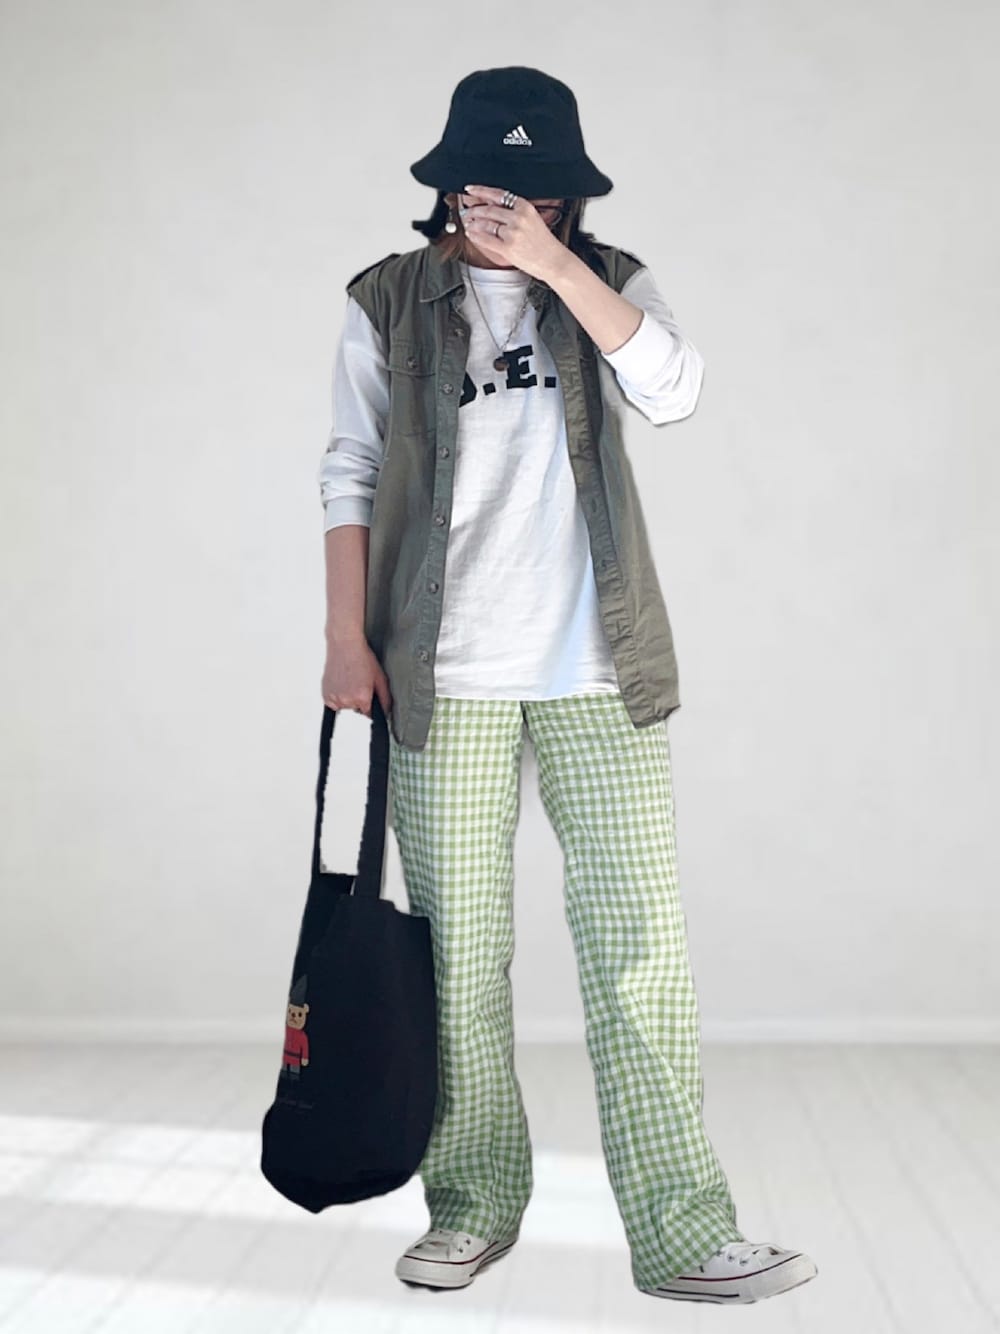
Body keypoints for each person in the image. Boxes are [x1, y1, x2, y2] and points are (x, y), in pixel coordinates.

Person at [317, 65, 818, 1306]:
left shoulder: (611, 283)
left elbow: (675, 389)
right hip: (441, 673)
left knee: (641, 950)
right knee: (458, 958)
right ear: (449, 183)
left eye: (538, 192)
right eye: (490, 187)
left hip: (601, 667)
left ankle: (681, 1228)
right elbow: (349, 469)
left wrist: (552, 267)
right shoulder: (386, 298)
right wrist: (343, 636)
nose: (510, 207)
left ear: (567, 197)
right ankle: (472, 1206)